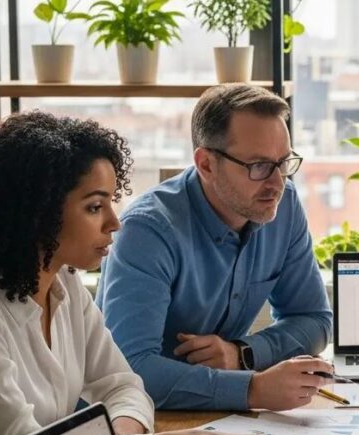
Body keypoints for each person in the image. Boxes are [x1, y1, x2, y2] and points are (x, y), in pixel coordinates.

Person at [0, 112, 261, 435]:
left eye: (111, 203)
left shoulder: (65, 285)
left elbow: (125, 387)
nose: (114, 223)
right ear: (36, 212)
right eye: (94, 207)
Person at [96, 84, 334, 411]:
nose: (277, 183)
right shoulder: (147, 231)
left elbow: (314, 320)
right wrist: (251, 389)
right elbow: (131, 369)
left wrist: (242, 354)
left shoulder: (284, 206)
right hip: (143, 419)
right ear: (206, 164)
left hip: (222, 417)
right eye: (259, 166)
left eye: (283, 163)